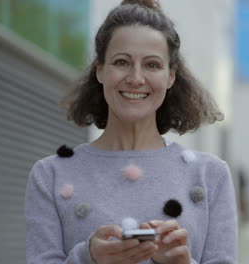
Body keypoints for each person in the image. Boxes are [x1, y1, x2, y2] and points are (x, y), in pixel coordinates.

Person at [25, 0, 238, 263]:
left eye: (152, 65)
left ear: (171, 76)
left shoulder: (211, 176)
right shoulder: (50, 175)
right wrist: (88, 257)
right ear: (100, 71)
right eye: (122, 62)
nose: (136, 78)